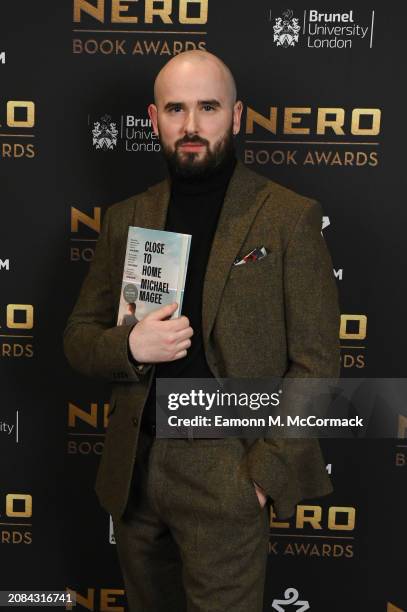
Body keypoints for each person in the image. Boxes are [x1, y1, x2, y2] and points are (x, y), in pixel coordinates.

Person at [64, 50, 340, 612]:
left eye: (208, 108)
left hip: (228, 467)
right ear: (153, 118)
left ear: (236, 117)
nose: (191, 126)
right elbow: (77, 337)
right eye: (176, 109)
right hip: (136, 472)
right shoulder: (126, 218)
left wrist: (260, 478)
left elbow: (316, 363)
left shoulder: (286, 217)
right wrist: (130, 347)